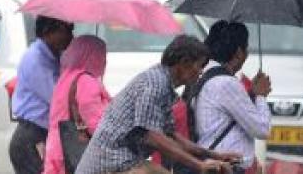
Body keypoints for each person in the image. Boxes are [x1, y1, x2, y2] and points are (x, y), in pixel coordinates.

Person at [74, 35, 239, 174]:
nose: (201, 71)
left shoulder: (165, 86)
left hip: (126, 162)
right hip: (109, 164)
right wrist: (199, 165)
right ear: (184, 62)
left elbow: (171, 136)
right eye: (200, 65)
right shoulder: (155, 83)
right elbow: (153, 137)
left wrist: (213, 155)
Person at [190, 22, 271, 171]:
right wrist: (260, 96)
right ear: (239, 53)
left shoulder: (204, 73)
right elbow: (262, 130)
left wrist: (252, 93)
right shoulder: (226, 83)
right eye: (246, 49)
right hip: (224, 168)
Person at [10, 16, 75, 174]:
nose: (71, 37)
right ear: (48, 31)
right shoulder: (36, 59)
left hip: (43, 134)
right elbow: (58, 99)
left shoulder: (54, 57)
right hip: (32, 138)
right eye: (65, 31)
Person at [43, 35, 110, 174]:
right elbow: (95, 124)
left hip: (57, 147)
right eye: (102, 54)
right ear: (93, 56)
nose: (105, 60)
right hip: (75, 151)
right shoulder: (87, 81)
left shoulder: (67, 77)